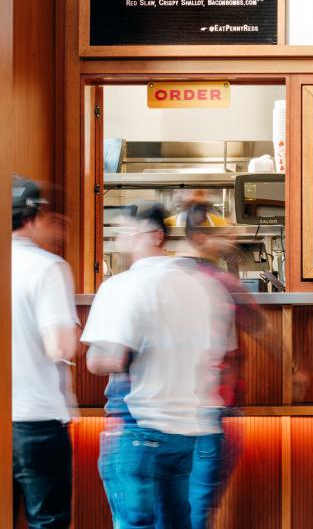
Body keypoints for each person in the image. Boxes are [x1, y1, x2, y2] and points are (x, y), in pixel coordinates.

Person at [82, 205, 234, 529]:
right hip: (188, 433)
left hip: (137, 428)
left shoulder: (122, 286)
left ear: (154, 235)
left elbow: (104, 360)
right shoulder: (204, 286)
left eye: (125, 232)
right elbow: (219, 353)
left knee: (134, 523)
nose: (119, 238)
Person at [181, 203, 306, 529]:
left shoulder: (165, 279)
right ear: (200, 238)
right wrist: (293, 371)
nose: (229, 235)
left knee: (173, 507)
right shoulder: (223, 283)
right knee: (198, 508)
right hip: (215, 408)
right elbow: (263, 331)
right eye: (219, 231)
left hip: (166, 414)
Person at [11, 176, 79, 529]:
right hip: (37, 422)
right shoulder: (47, 267)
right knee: (47, 522)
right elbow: (59, 346)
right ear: (34, 217)